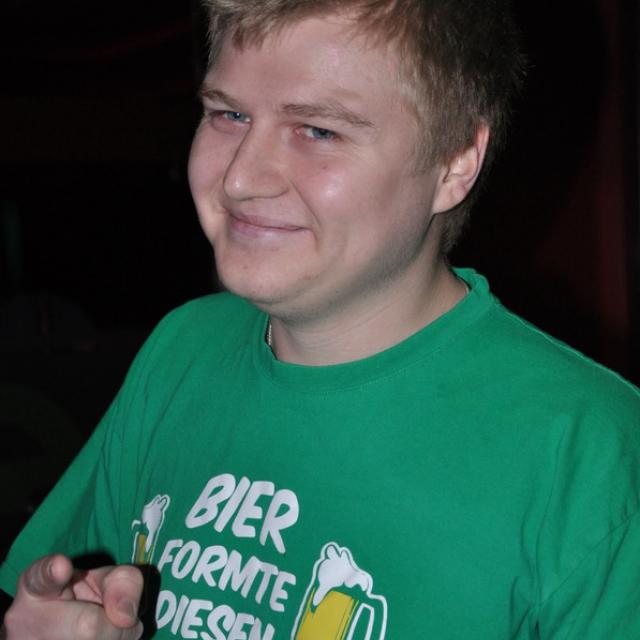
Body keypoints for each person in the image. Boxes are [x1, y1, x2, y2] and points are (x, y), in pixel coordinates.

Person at [2, 0, 639, 638]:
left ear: (455, 162)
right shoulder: (183, 348)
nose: (240, 179)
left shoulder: (589, 453)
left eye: (317, 130)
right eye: (228, 114)